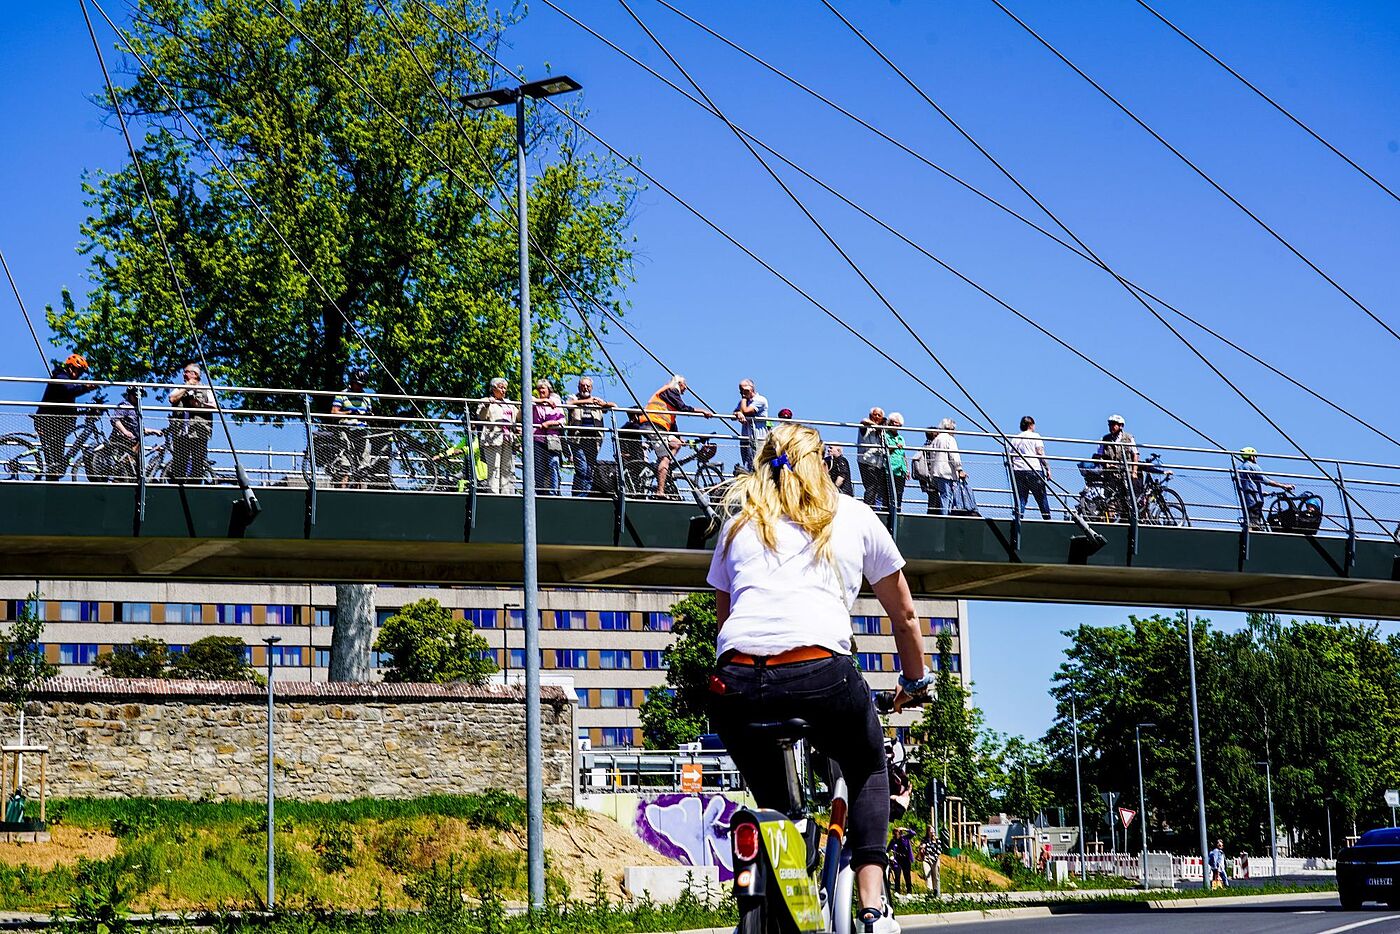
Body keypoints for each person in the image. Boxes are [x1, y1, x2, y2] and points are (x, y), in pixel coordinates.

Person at [705, 422, 934, 933]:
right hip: (821, 675)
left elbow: (726, 619)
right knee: (869, 765)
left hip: (736, 682)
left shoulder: (740, 521)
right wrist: (915, 682)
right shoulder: (853, 515)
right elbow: (906, 618)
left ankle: (776, 847)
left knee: (774, 804)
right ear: (825, 463)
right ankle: (873, 908)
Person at [640, 375, 713, 494]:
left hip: (656, 426)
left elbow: (672, 423)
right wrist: (702, 410)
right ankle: (660, 491)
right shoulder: (671, 390)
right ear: (679, 383)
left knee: (676, 444)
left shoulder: (668, 395)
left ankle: (664, 464)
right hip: (653, 426)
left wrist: (679, 437)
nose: (686, 389)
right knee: (666, 458)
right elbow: (683, 408)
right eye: (685, 385)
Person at [34, 353, 96, 481]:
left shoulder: (69, 382)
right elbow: (69, 391)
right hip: (47, 422)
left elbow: (68, 408)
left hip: (57, 425)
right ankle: (46, 477)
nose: (79, 376)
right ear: (71, 368)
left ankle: (53, 478)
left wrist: (87, 411)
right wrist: (86, 387)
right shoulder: (61, 377)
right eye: (79, 372)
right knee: (53, 462)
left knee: (57, 464)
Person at [565, 377, 615, 496]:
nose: (585, 388)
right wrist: (587, 401)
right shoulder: (574, 398)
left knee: (589, 468)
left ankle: (585, 493)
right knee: (581, 468)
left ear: (591, 388)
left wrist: (603, 404)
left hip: (594, 440)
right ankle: (579, 495)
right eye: (583, 385)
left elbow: (613, 406)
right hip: (578, 439)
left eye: (588, 386)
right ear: (579, 387)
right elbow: (568, 404)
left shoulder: (596, 400)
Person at [168, 362, 214, 483]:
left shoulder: (206, 389)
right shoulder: (180, 388)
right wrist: (186, 386)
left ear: (195, 374)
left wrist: (199, 405)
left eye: (186, 371)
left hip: (199, 431)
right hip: (180, 431)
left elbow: (215, 406)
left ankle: (195, 488)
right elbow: (172, 399)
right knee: (179, 461)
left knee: (198, 461)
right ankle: (178, 486)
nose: (184, 374)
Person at [330, 368, 375, 486]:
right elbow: (334, 412)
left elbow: (370, 412)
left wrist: (368, 415)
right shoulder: (342, 394)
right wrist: (348, 413)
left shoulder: (366, 397)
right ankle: (343, 489)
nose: (359, 387)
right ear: (352, 382)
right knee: (346, 463)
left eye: (362, 385)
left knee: (363, 464)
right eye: (358, 384)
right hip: (346, 430)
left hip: (362, 431)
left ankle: (361, 493)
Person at [476, 377, 518, 494]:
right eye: (501, 387)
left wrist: (524, 406)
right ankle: (493, 493)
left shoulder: (509, 403)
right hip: (492, 440)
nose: (504, 390)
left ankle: (506, 493)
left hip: (508, 439)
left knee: (507, 469)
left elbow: (518, 417)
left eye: (505, 388)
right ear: (493, 388)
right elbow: (481, 417)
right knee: (494, 468)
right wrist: (487, 405)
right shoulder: (485, 400)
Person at [1237, 447, 1294, 529]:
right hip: (1255, 500)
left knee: (1249, 519)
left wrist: (1261, 492)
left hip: (1246, 499)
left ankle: (1249, 532)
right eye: (1255, 456)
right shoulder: (1254, 467)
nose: (1256, 458)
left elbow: (1247, 484)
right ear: (1251, 456)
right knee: (1254, 523)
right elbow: (1266, 481)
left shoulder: (1239, 469)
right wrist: (1284, 486)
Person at [1094, 414, 1139, 518]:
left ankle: (1127, 518)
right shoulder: (1105, 439)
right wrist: (1107, 464)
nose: (1111, 427)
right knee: (1110, 499)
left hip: (1125, 474)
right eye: (1110, 424)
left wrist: (1134, 472)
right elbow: (1098, 456)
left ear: (1121, 426)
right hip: (1110, 475)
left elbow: (1135, 454)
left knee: (1127, 498)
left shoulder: (1128, 438)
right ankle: (1111, 520)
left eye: (1114, 424)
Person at [1009, 416, 1052, 520]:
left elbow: (1010, 456)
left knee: (1021, 499)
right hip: (1034, 469)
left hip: (1018, 470)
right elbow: (1040, 453)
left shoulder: (1015, 439)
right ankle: (1048, 521)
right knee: (1041, 498)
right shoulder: (1035, 436)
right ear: (1031, 425)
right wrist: (1048, 468)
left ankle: (1018, 521)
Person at [929, 418, 971, 515]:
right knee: (948, 495)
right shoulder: (950, 439)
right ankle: (946, 516)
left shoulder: (936, 440)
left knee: (943, 494)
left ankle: (944, 514)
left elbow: (932, 456)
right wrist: (959, 469)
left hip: (937, 472)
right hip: (947, 472)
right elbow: (954, 455)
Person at [532, 379, 567, 495]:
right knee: (539, 466)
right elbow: (528, 401)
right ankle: (540, 491)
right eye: (539, 388)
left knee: (554, 464)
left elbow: (562, 421)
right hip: (538, 439)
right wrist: (545, 401)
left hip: (553, 438)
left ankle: (554, 491)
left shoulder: (556, 402)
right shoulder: (535, 401)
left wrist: (549, 424)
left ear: (549, 389)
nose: (541, 390)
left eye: (543, 388)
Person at [733, 379, 769, 472]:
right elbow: (735, 413)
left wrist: (744, 399)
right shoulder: (743, 402)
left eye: (745, 390)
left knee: (759, 465)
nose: (742, 393)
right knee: (747, 464)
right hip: (746, 438)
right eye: (741, 390)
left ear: (752, 388)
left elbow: (746, 411)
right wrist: (738, 413)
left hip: (758, 438)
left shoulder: (760, 400)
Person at [856, 407, 889, 508]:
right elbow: (863, 421)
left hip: (878, 464)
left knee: (879, 488)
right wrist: (877, 426)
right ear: (871, 415)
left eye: (880, 416)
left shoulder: (882, 431)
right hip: (866, 461)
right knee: (871, 487)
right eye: (875, 415)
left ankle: (877, 508)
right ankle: (869, 509)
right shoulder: (866, 427)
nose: (877, 417)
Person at [884, 412, 908, 512]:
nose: (897, 425)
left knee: (899, 493)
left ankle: (897, 511)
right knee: (889, 493)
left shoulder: (901, 438)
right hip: (890, 468)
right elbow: (884, 450)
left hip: (900, 469)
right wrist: (894, 447)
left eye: (898, 424)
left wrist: (906, 469)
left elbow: (903, 454)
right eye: (895, 423)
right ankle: (889, 511)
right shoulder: (885, 435)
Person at [887, 827, 914, 895]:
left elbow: (913, 833)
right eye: (895, 832)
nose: (897, 833)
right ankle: (897, 891)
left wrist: (905, 829)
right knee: (897, 875)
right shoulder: (893, 841)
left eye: (898, 832)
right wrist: (890, 857)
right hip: (897, 860)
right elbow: (887, 850)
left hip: (905, 859)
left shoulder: (905, 838)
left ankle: (909, 892)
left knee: (907, 875)